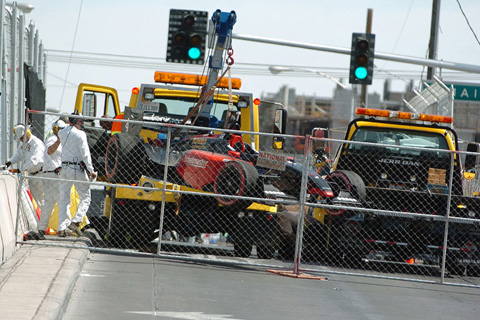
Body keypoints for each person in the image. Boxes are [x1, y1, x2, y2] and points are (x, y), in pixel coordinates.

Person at [57, 113, 97, 237]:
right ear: (75, 121)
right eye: (81, 121)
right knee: (85, 196)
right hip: (76, 168)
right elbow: (85, 154)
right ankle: (76, 220)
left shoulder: (61, 133)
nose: (83, 123)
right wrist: (91, 170)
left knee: (64, 200)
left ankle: (61, 228)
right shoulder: (80, 134)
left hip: (64, 168)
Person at [37, 120, 68, 239]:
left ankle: (41, 228)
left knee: (49, 203)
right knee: (62, 202)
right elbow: (49, 151)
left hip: (50, 174)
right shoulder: (53, 139)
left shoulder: (57, 139)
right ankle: (62, 228)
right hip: (53, 175)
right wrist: (59, 141)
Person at [5, 124, 45, 211]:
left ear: (27, 134)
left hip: (40, 175)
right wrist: (10, 162)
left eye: (21, 137)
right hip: (31, 175)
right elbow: (18, 155)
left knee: (42, 200)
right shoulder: (24, 143)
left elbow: (35, 160)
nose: (20, 140)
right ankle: (40, 220)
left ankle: (46, 221)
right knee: (35, 200)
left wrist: (20, 170)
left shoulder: (36, 143)